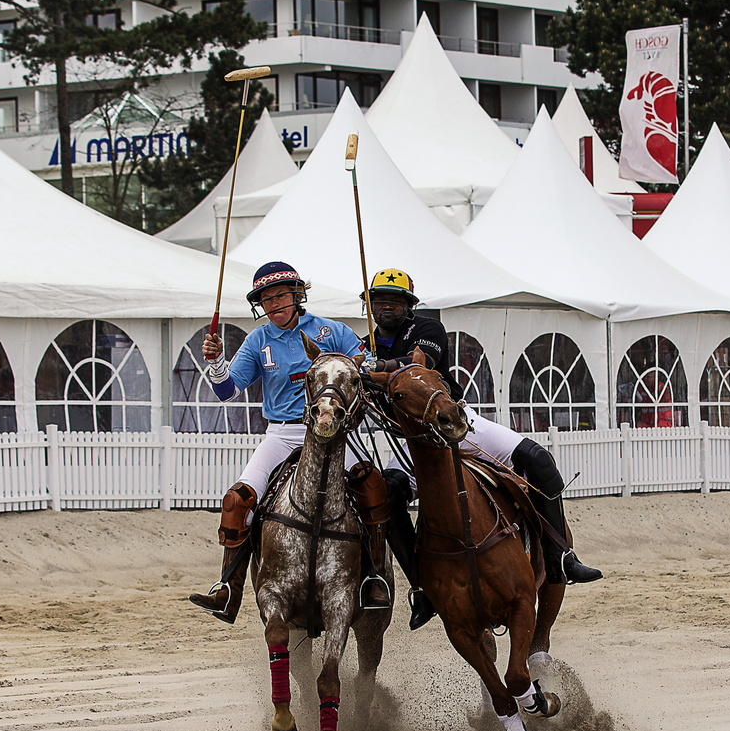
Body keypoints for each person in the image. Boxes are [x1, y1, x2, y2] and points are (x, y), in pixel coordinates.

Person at [359, 268, 602, 631]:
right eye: (379, 300)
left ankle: (560, 558)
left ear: (409, 305)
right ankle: (422, 587)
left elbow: (415, 363)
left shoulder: (427, 329)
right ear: (371, 306)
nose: (386, 306)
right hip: (414, 443)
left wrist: (377, 368)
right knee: (387, 492)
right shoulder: (365, 346)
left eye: (395, 300)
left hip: (456, 422)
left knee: (538, 460)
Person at [189, 261, 392, 624]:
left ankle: (374, 576)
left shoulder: (331, 330)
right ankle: (228, 589)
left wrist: (370, 361)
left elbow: (365, 363)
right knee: (237, 501)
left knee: (372, 486)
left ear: (298, 295)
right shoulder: (258, 340)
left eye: (280, 295)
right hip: (282, 433)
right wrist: (216, 361)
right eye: (266, 300)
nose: (274, 305)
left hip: (333, 431)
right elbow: (226, 391)